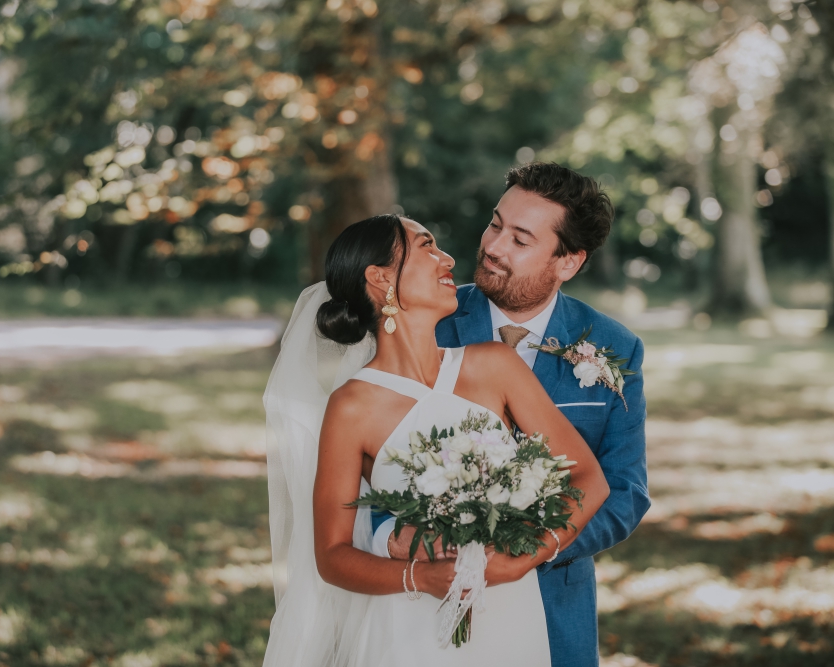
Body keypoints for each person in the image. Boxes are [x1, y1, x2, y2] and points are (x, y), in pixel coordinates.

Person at [262, 212, 610, 667]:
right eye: (426, 246)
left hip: (510, 611)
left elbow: (589, 478)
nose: (447, 258)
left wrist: (528, 553)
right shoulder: (351, 407)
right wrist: (421, 577)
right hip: (407, 629)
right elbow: (331, 556)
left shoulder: (494, 365)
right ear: (380, 276)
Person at [368, 163, 651, 667]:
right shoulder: (426, 323)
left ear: (567, 262)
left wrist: (531, 549)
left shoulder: (615, 347)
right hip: (426, 601)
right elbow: (367, 461)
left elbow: (625, 490)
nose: (494, 246)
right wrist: (405, 538)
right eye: (495, 224)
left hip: (555, 606)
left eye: (520, 239)